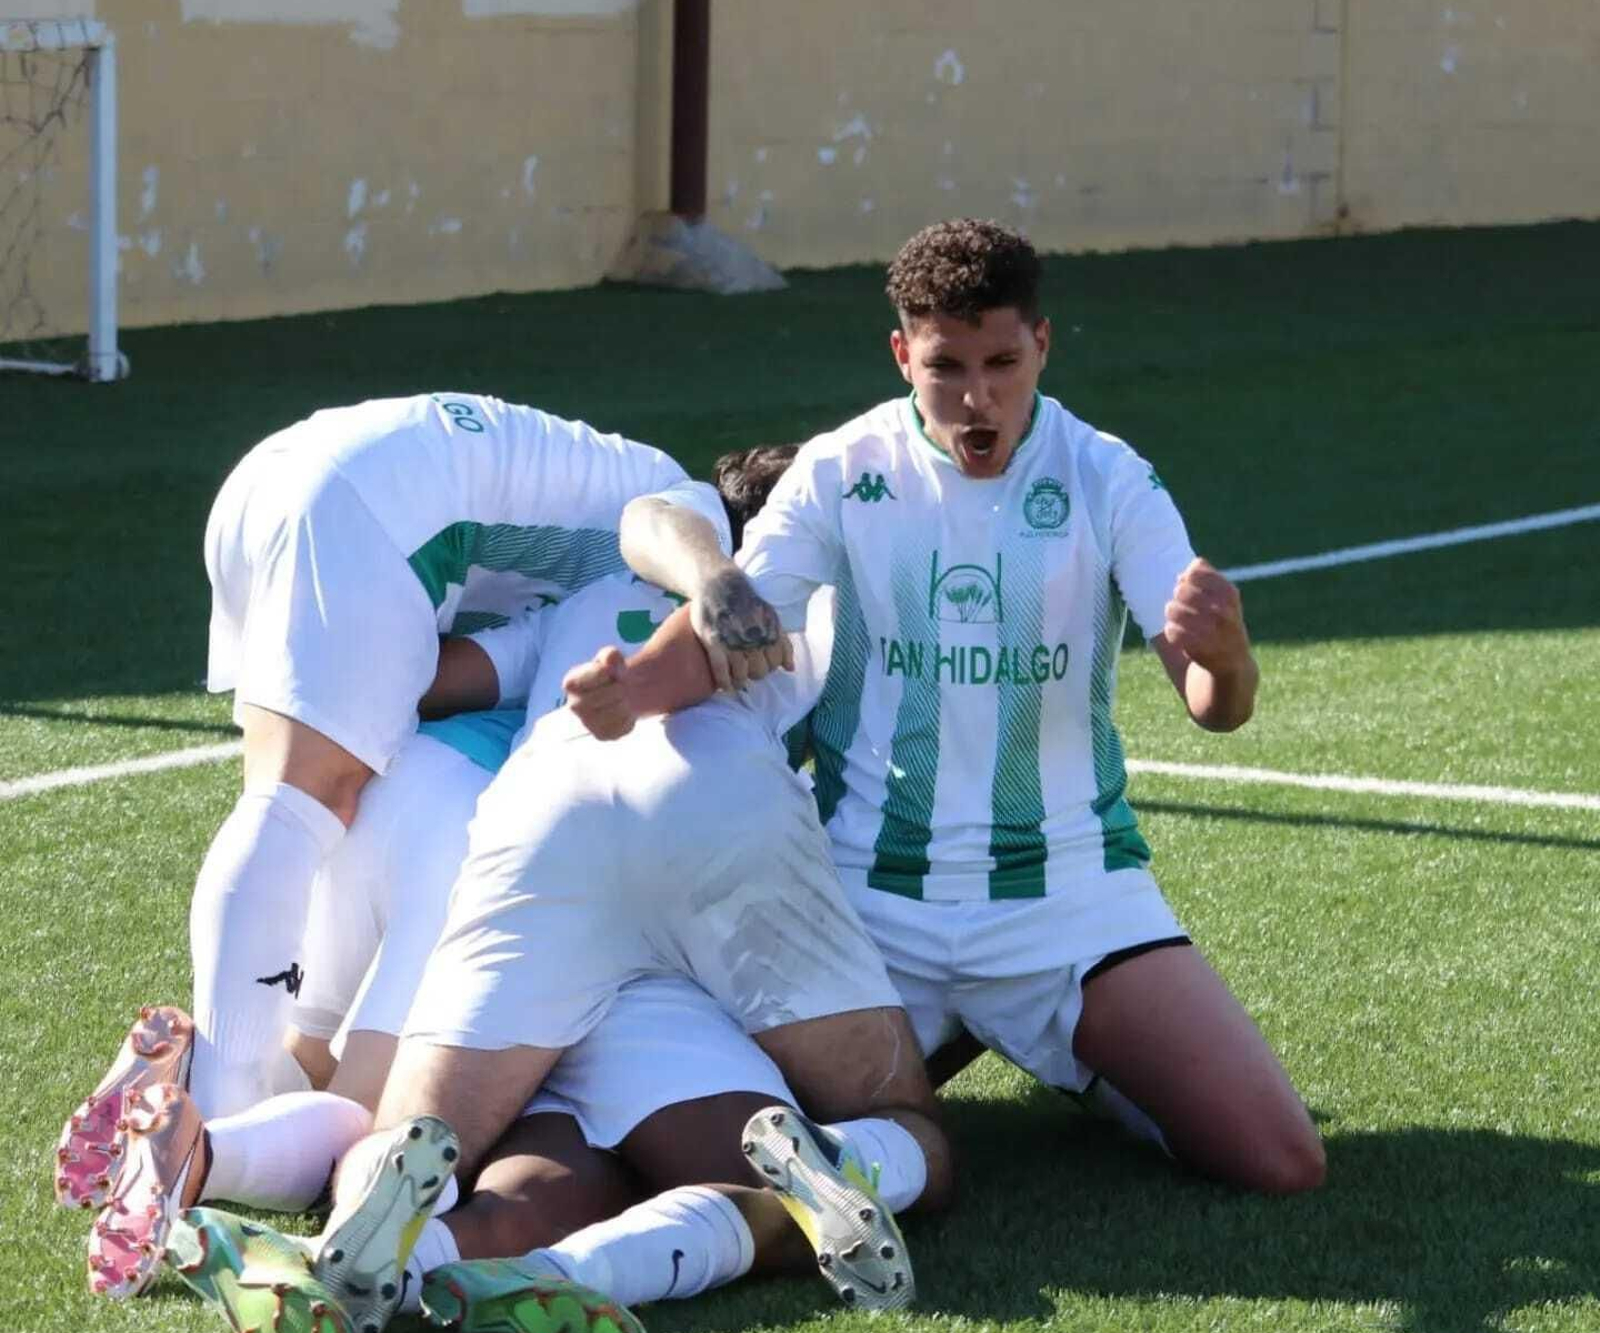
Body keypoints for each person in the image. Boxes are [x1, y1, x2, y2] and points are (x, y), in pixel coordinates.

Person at [723, 218, 1325, 1196]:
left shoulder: (1107, 476)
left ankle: (1088, 1062)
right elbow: (733, 626)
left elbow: (1215, 708)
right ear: (902, 355)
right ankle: (983, 1039)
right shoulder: (839, 468)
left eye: (1002, 363)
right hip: (872, 901)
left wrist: (1229, 658)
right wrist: (639, 675)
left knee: (1282, 1162)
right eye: (946, 367)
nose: (978, 396)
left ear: (1041, 345)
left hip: (1070, 896)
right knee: (739, 1138)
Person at [142, 390, 788, 1129]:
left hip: (284, 469)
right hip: (382, 519)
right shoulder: (694, 522)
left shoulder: (582, 590)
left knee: (291, 810)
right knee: (300, 807)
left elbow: (441, 676)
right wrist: (718, 582)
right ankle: (214, 1115)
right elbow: (661, 526)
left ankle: (219, 1082)